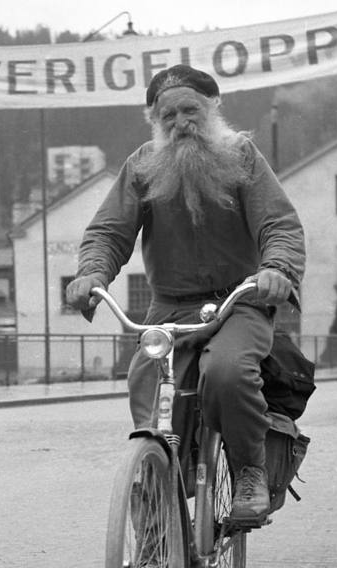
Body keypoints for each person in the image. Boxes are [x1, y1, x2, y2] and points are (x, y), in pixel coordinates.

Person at [65, 64, 306, 523]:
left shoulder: (243, 157)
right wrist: (92, 275)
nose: (180, 123)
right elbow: (108, 232)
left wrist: (277, 268)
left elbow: (279, 224)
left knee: (227, 374)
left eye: (190, 110)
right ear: (154, 121)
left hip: (240, 302)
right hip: (170, 308)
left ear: (213, 108)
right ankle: (155, 533)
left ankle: (248, 470)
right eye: (167, 115)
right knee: (149, 391)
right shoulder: (141, 165)